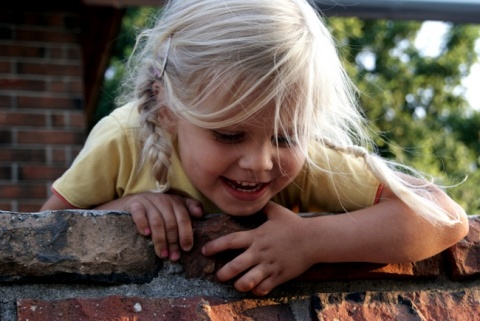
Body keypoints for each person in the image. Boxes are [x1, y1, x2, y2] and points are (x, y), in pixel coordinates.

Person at [41, 0, 469, 296]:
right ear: (169, 108)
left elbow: (444, 218)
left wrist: (309, 243)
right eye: (229, 135)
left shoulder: (307, 163)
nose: (260, 162)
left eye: (285, 137)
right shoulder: (122, 137)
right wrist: (123, 209)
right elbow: (43, 235)